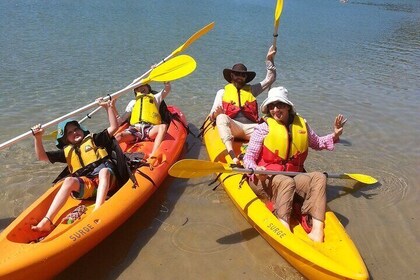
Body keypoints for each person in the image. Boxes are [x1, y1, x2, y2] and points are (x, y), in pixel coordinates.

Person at [243, 87, 346, 242]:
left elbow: (317, 143)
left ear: (288, 107)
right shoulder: (263, 128)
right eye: (272, 106)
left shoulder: (302, 125)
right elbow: (249, 157)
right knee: (286, 182)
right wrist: (256, 169)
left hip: (293, 177)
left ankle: (317, 231)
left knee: (319, 177)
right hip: (265, 179)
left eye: (279, 105)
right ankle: (283, 228)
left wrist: (335, 135)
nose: (275, 109)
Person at [31, 97, 121, 232]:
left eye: (76, 129)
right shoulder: (67, 152)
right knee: (68, 181)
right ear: (66, 139)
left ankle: (98, 209)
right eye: (70, 133)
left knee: (104, 171)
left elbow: (114, 127)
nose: (74, 133)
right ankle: (47, 221)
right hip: (88, 187)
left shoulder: (94, 140)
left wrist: (107, 107)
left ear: (81, 130)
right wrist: (37, 138)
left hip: (108, 182)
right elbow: (42, 157)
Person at [208, 45, 277, 165]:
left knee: (271, 127)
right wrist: (215, 114)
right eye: (237, 74)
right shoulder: (222, 92)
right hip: (234, 128)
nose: (240, 77)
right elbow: (212, 115)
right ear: (231, 76)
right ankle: (232, 154)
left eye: (243, 75)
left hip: (252, 129)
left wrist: (269, 60)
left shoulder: (252, 90)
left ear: (246, 78)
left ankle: (270, 158)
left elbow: (270, 79)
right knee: (221, 117)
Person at [114, 82, 170, 165]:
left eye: (142, 86)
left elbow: (166, 90)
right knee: (118, 136)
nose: (140, 88)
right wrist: (112, 106)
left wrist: (166, 82)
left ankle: (153, 155)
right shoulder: (133, 102)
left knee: (162, 127)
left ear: (148, 87)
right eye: (137, 88)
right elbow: (120, 120)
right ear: (135, 91)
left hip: (150, 129)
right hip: (135, 130)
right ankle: (114, 159)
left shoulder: (155, 98)